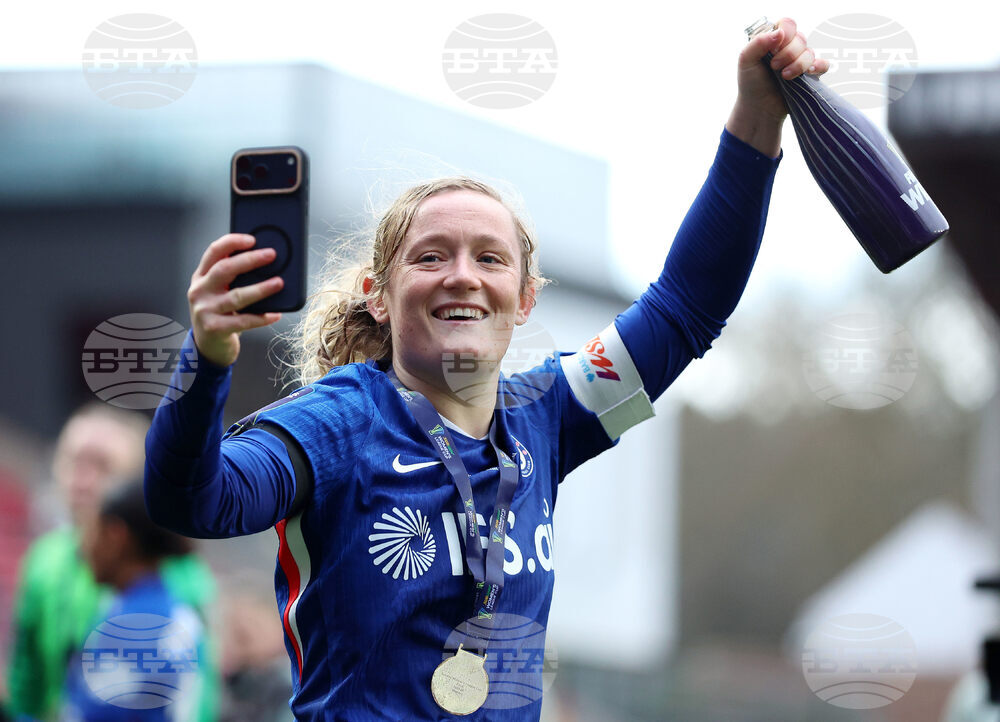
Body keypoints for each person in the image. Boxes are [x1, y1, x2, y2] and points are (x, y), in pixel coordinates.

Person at [144, 18, 829, 719]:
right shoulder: (337, 424)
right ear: (377, 297)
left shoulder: (552, 417)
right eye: (432, 256)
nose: (462, 277)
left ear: (525, 300)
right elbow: (193, 503)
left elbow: (689, 308)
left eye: (490, 258)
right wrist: (208, 357)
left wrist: (757, 120)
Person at [4, 404, 220, 722]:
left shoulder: (177, 573)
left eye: (102, 465)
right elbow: (28, 686)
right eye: (74, 461)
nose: (83, 479)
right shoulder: (45, 559)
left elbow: (195, 696)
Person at [61, 480, 205, 720]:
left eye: (91, 531)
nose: (83, 548)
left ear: (116, 536)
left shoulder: (136, 627)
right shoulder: (167, 612)